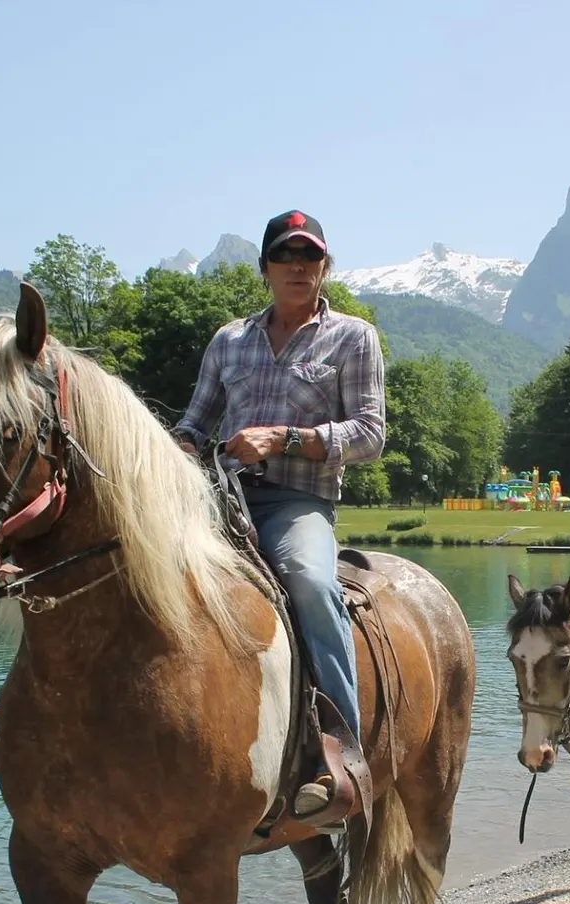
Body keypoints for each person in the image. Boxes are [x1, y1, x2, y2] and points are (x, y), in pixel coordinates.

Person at [173, 209, 386, 824]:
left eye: (310, 256)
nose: (298, 266)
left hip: (297, 500)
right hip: (218, 496)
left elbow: (370, 433)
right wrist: (174, 452)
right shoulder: (228, 340)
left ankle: (340, 751)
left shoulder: (353, 337)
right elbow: (195, 422)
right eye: (286, 256)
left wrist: (286, 438)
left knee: (311, 582)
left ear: (324, 267)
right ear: (264, 268)